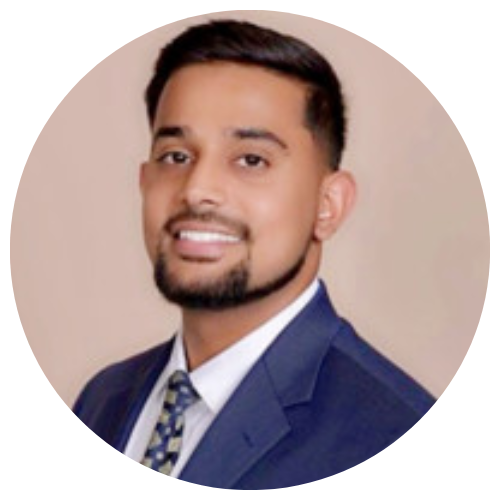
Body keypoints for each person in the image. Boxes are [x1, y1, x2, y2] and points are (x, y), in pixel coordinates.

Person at [73, 19, 435, 489]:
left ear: (328, 205)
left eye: (251, 160)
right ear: (144, 182)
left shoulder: (399, 438)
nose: (197, 189)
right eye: (176, 156)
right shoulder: (102, 401)